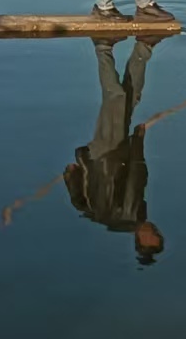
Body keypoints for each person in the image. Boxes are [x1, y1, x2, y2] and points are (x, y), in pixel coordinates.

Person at [64, 35, 166, 264]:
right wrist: (72, 178)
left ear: (141, 240)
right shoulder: (133, 217)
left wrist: (138, 140)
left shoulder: (126, 217)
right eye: (158, 235)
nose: (155, 231)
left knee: (116, 98)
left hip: (107, 155)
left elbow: (136, 176)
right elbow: (83, 207)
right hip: (115, 153)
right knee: (131, 97)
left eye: (152, 237)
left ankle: (103, 47)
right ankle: (143, 46)